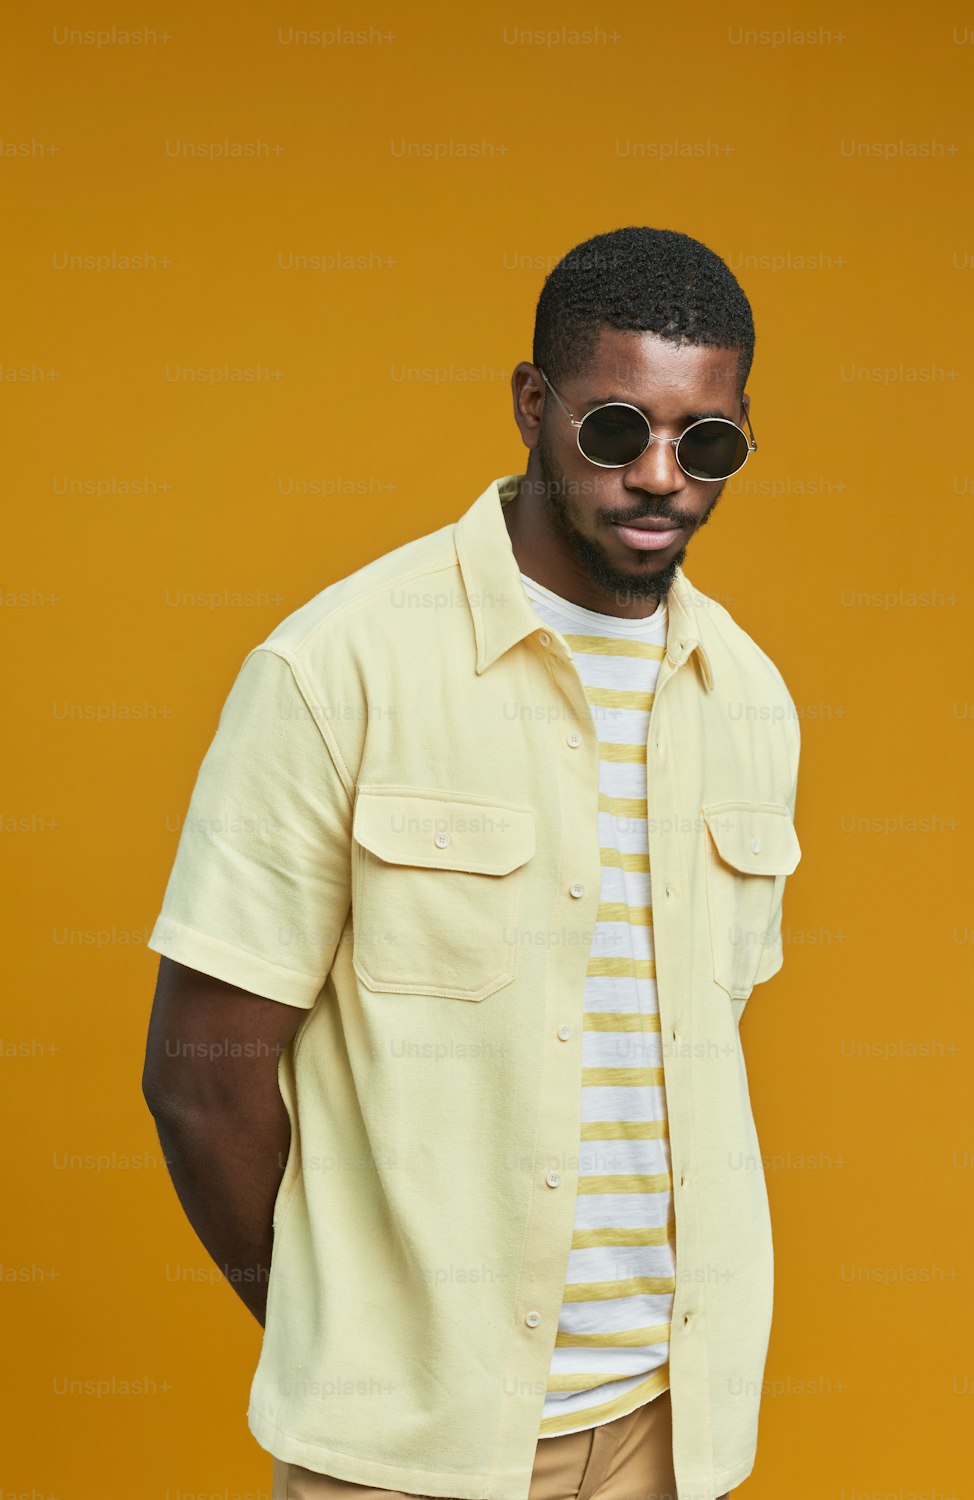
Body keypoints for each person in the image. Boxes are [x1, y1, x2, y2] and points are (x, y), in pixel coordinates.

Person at [142, 225, 802, 1500]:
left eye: (704, 442)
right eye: (617, 430)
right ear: (529, 403)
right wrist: (356, 1355)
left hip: (676, 1432)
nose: (661, 476)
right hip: (409, 1451)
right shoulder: (339, 668)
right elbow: (202, 1083)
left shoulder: (749, 698)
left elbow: (689, 1053)